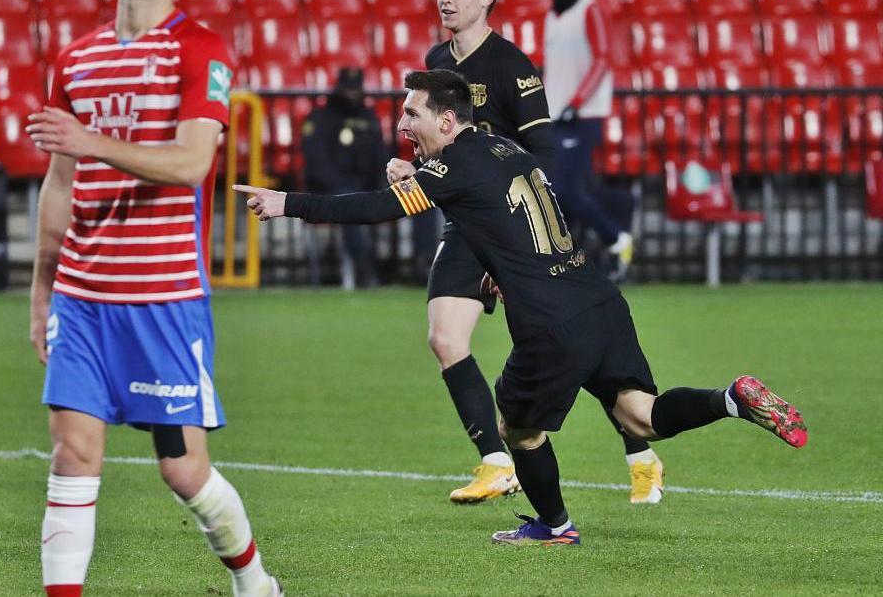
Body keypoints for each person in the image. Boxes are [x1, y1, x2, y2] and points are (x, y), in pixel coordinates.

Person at [235, 69, 807, 545]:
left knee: (518, 427)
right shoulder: (504, 149)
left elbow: (376, 208)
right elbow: (494, 212)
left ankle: (555, 526)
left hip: (549, 321)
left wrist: (287, 201)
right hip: (597, 296)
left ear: (447, 120)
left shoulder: (452, 165)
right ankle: (729, 399)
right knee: (642, 416)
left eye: (412, 114)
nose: (402, 123)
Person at [23, 0, 281, 596]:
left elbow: (195, 162)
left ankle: (254, 580)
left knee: (183, 471)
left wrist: (90, 139)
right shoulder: (76, 58)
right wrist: (41, 289)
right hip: (82, 296)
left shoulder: (200, 49)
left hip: (163, 296)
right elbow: (58, 180)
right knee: (73, 453)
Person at [387, 0, 664, 506]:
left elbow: (543, 154)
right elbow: (440, 152)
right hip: (466, 227)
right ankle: (495, 461)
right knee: (445, 338)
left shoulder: (511, 66)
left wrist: (535, 230)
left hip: (515, 227)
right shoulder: (436, 64)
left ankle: (639, 446)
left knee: (555, 347)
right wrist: (409, 167)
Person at [543, 0, 635, 282]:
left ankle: (616, 238)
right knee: (571, 190)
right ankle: (623, 205)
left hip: (583, 115)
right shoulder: (550, 18)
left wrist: (577, 101)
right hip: (556, 116)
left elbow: (603, 59)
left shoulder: (590, 9)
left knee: (562, 190)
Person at [300, 67, 385, 288]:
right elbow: (317, 165)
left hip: (366, 188)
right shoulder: (320, 117)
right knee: (349, 201)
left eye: (356, 90)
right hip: (330, 190)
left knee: (419, 196)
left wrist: (385, 185)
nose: (352, 95)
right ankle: (364, 270)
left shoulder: (369, 117)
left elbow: (380, 157)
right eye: (348, 90)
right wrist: (344, 186)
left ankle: (423, 265)